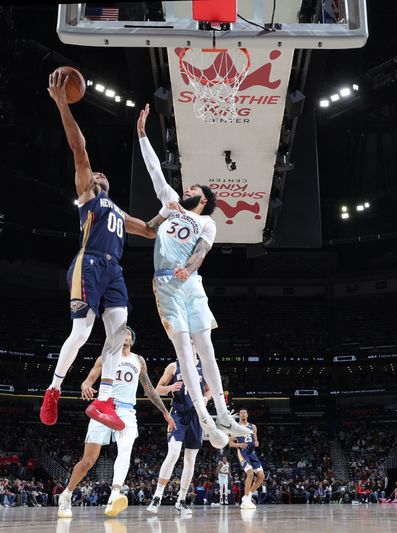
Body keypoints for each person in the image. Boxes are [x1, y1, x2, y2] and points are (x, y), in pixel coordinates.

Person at [39, 71, 171, 429]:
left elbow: (147, 229)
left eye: (102, 174)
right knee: (81, 334)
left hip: (114, 271)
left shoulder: (117, 210)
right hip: (89, 263)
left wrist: (171, 210)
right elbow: (79, 149)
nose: (99, 173)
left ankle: (105, 401)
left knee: (119, 332)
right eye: (95, 173)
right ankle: (53, 389)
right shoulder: (88, 196)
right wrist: (62, 104)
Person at [136, 104, 250, 448]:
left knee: (207, 349)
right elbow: (155, 171)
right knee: (184, 350)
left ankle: (223, 414)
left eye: (193, 190)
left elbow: (201, 251)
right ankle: (203, 416)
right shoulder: (170, 203)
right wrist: (142, 134)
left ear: (203, 200)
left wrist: (191, 267)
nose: (186, 190)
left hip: (192, 284)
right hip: (166, 285)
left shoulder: (207, 222)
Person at [56, 327, 176, 519]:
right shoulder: (106, 356)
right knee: (88, 461)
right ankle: (66, 495)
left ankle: (115, 494)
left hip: (127, 411)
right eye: (122, 332)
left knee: (125, 448)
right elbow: (88, 380)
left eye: (128, 333)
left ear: (132, 340)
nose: (125, 335)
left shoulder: (139, 360)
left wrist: (165, 413)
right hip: (104, 407)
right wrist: (86, 386)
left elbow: (150, 390)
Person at [147, 352, 212, 516]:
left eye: (192, 341)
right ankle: (157, 496)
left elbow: (209, 390)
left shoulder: (204, 367)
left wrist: (206, 398)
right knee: (174, 453)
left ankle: (181, 500)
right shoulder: (174, 366)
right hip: (177, 414)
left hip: (196, 416)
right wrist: (169, 388)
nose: (189, 344)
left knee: (190, 459)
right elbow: (157, 389)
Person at [230, 408, 264, 510]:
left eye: (244, 412)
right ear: (239, 415)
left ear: (247, 415)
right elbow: (231, 443)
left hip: (252, 453)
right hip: (242, 453)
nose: (243, 414)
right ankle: (246, 498)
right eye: (241, 413)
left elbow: (256, 440)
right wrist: (240, 444)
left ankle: (247, 496)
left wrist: (257, 443)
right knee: (250, 473)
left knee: (261, 476)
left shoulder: (253, 427)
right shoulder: (235, 427)